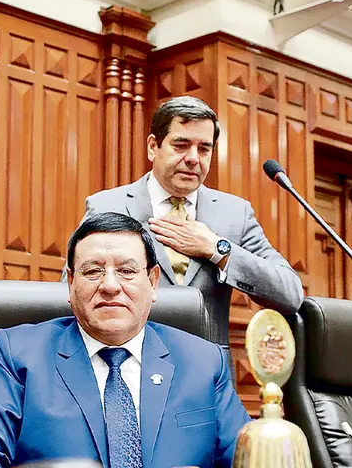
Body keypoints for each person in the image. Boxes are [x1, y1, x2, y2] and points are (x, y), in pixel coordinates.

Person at [0, 212, 250, 468]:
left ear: (153, 282)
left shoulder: (203, 361)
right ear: (71, 283)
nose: (110, 286)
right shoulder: (22, 354)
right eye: (93, 272)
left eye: (127, 271)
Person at [77, 96, 303, 351]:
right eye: (181, 145)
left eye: (204, 149)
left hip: (208, 375)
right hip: (124, 363)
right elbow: (73, 290)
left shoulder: (235, 213)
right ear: (153, 146)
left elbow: (290, 293)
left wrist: (217, 249)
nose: (194, 158)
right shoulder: (109, 205)